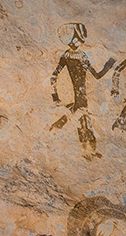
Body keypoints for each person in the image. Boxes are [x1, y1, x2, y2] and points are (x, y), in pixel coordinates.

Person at [49, 22, 116, 160]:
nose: (82, 40)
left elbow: (53, 76)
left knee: (84, 122)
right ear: (74, 39)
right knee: (85, 124)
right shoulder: (80, 56)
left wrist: (55, 96)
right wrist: (109, 64)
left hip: (80, 96)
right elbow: (97, 75)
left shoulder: (67, 56)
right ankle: (87, 152)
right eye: (80, 38)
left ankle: (87, 150)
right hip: (81, 97)